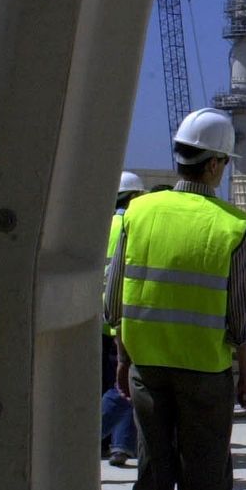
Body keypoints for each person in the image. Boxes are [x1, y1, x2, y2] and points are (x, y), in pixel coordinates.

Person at [103, 108, 246, 490]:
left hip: (148, 370)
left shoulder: (138, 213)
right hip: (204, 376)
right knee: (205, 489)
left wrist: (123, 358)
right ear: (214, 164)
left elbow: (114, 301)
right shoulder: (231, 226)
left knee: (153, 484)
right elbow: (243, 319)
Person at [102, 170, 146, 467]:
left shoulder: (102, 225)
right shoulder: (133, 225)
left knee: (107, 382)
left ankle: (106, 442)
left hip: (97, 317)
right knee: (125, 384)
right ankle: (120, 445)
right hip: (122, 317)